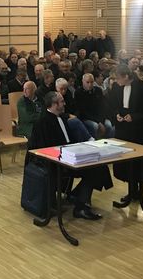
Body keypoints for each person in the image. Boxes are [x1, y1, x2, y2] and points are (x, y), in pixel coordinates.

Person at [29, 91, 113, 220]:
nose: (65, 103)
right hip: (56, 163)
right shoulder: (43, 123)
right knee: (94, 170)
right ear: (54, 104)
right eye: (62, 101)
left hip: (69, 157)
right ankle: (81, 205)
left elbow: (69, 141)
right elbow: (44, 149)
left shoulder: (62, 118)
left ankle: (77, 198)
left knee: (98, 166)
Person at [108, 65, 143, 209]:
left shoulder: (142, 87)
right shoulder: (117, 87)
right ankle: (132, 192)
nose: (116, 81)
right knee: (128, 162)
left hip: (141, 130)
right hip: (125, 130)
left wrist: (135, 117)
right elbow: (113, 105)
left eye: (118, 78)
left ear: (126, 76)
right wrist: (116, 114)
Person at [75, 73, 115, 139]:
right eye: (87, 82)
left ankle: (108, 142)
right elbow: (83, 111)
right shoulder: (78, 92)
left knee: (109, 125)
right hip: (86, 118)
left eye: (91, 82)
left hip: (99, 117)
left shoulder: (98, 90)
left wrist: (101, 120)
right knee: (95, 126)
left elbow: (102, 107)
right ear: (83, 81)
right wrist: (98, 122)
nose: (90, 84)